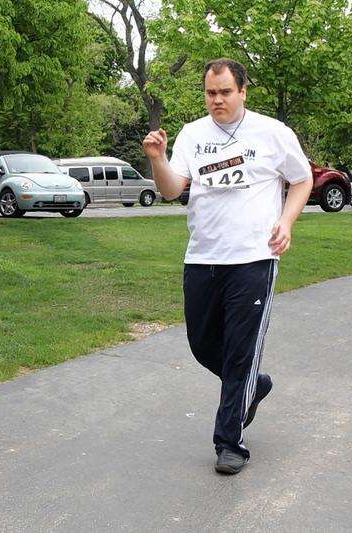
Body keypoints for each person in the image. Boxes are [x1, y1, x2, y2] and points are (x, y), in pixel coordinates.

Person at [142, 58, 313, 475]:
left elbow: (302, 179)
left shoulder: (272, 132)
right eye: (210, 93)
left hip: (254, 257)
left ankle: (230, 441)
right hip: (203, 256)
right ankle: (253, 384)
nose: (216, 100)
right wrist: (158, 159)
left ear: (242, 92)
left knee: (240, 352)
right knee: (202, 344)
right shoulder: (193, 134)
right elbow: (171, 190)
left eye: (224, 92)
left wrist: (286, 221)